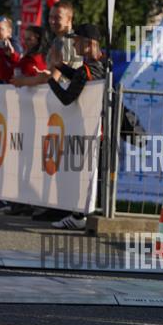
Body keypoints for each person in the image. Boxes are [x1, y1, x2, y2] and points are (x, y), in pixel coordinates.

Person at [46, 23, 106, 230]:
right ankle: (87, 214)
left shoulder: (87, 69)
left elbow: (66, 98)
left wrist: (51, 81)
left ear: (88, 44)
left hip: (91, 131)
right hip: (102, 129)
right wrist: (61, 66)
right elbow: (81, 78)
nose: (73, 45)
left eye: (77, 41)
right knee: (95, 175)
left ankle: (79, 216)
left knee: (85, 175)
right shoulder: (104, 63)